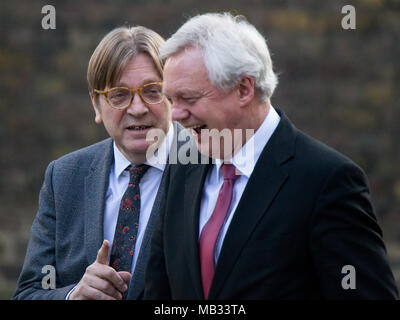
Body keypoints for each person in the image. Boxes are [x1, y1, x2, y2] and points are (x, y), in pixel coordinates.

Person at [144, 13, 399, 299]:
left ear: (243, 89)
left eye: (188, 99)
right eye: (170, 100)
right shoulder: (182, 167)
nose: (175, 115)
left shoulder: (327, 180)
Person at [14, 26, 183, 300]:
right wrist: (74, 296)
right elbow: (28, 293)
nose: (137, 108)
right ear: (96, 105)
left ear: (172, 95)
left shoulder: (209, 168)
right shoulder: (64, 177)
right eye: (119, 95)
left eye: (152, 91)